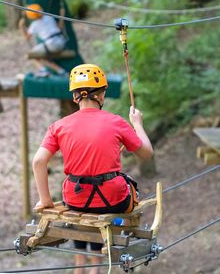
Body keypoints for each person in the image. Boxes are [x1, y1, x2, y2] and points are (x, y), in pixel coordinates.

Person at [32, 63, 153, 274]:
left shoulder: (59, 126)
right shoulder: (116, 122)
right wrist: (137, 124)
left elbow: (38, 161)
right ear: (101, 94)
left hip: (75, 199)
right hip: (113, 199)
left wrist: (45, 200)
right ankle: (98, 260)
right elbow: (146, 153)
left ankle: (86, 264)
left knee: (85, 201)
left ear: (75, 97)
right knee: (126, 188)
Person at [18, 3, 68, 77]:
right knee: (41, 57)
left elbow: (27, 37)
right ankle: (61, 71)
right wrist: (61, 16)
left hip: (51, 44)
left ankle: (43, 70)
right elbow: (60, 27)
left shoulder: (34, 24)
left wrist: (21, 26)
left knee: (31, 55)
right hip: (61, 41)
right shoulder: (49, 17)